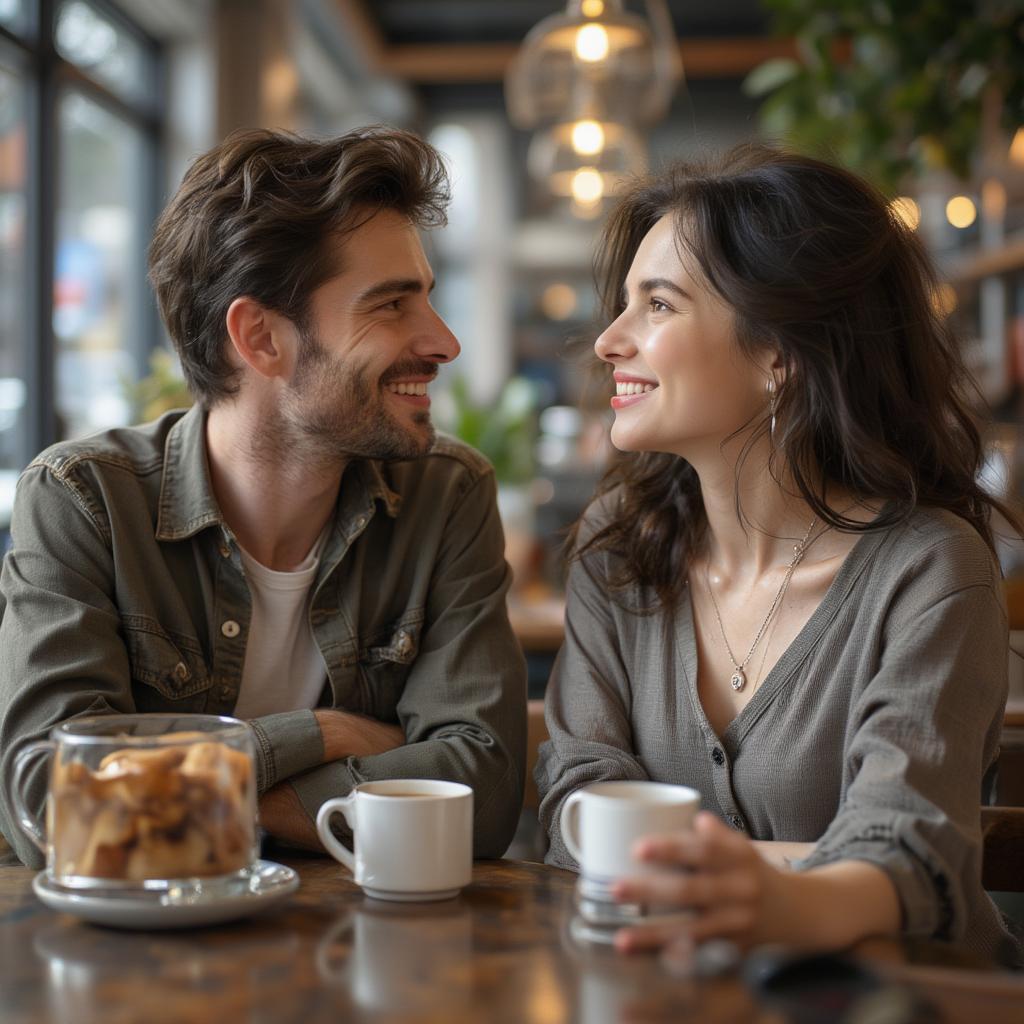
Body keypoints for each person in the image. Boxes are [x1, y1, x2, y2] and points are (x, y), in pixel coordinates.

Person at [536, 143, 1024, 967]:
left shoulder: (929, 573)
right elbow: (579, 796)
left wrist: (761, 892)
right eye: (625, 304)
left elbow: (905, 852)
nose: (609, 341)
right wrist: (784, 871)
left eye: (658, 306)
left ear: (781, 356)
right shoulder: (620, 550)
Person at [0, 127, 526, 867]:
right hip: (130, 965)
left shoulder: (447, 494)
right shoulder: (84, 501)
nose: (443, 341)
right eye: (391, 306)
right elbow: (51, 806)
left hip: (363, 954)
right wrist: (323, 736)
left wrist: (177, 794)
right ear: (261, 339)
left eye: (428, 300)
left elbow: (484, 800)